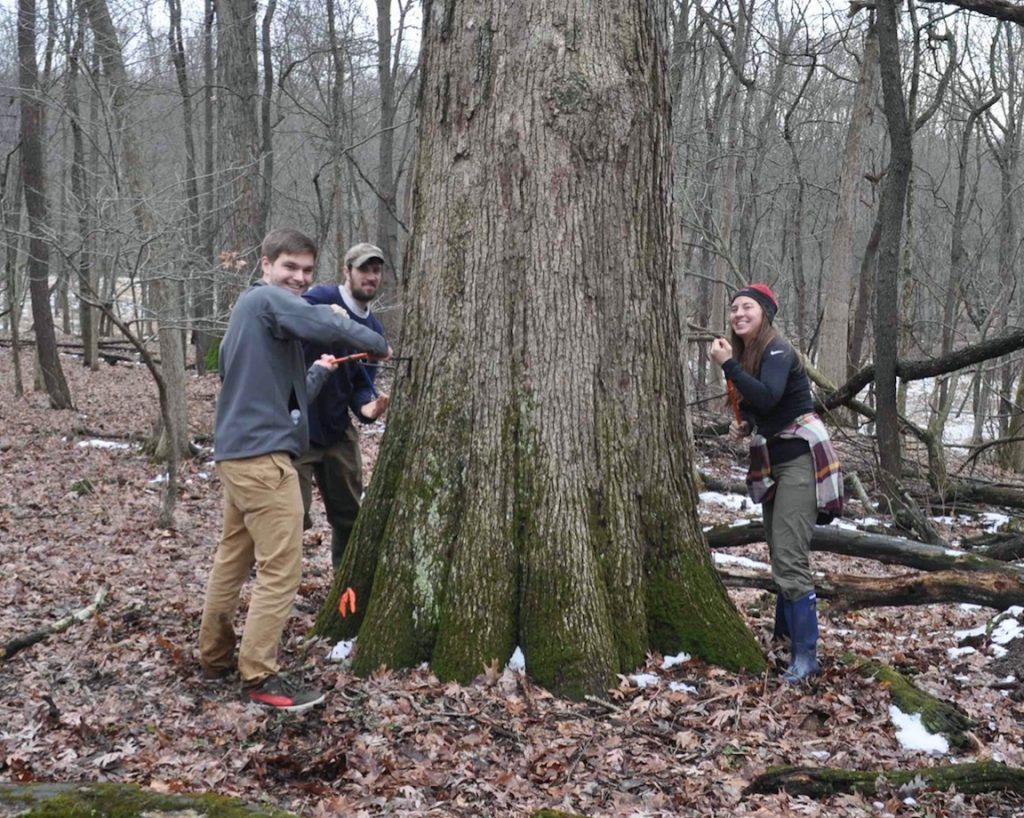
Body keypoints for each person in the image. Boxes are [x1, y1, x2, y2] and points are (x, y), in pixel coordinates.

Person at [198, 228, 389, 712]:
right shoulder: (266, 300)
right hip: (264, 461)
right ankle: (259, 674)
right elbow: (329, 324)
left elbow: (273, 393)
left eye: (306, 270)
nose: (298, 278)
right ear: (265, 266)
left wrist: (320, 373)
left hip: (238, 455)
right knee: (282, 568)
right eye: (290, 267)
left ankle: (214, 656)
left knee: (233, 558)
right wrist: (375, 344)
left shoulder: (252, 317)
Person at [709, 284, 842, 682]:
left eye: (747, 307)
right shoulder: (749, 356)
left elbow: (770, 397)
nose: (738, 314)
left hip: (800, 461)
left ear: (765, 312)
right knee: (777, 551)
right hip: (773, 462)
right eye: (734, 309)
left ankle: (806, 657)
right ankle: (785, 638)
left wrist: (728, 366)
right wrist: (745, 424)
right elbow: (762, 409)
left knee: (789, 557)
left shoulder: (779, 349)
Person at [297, 243, 390, 572]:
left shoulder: (374, 330)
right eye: (364, 269)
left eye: (376, 270)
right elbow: (289, 321)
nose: (371, 276)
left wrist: (368, 408)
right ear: (346, 271)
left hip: (337, 430)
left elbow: (362, 382)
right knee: (291, 519)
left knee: (350, 517)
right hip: (298, 426)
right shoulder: (320, 299)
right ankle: (280, 595)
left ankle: (344, 590)